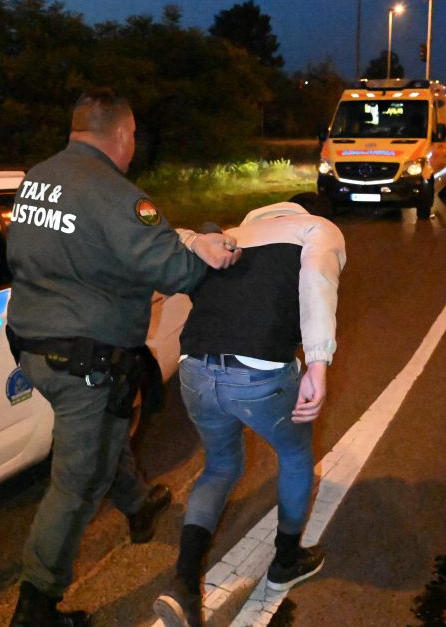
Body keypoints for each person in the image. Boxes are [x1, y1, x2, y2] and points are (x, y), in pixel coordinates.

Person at [5, 88, 241, 627]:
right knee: (77, 482)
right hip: (82, 362)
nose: (133, 144)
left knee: (104, 433)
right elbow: (176, 271)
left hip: (33, 346)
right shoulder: (116, 194)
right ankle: (35, 608)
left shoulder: (37, 177)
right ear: (121, 134)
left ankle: (137, 505)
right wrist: (208, 241)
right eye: (133, 135)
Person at [152, 202, 347, 627]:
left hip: (195, 369)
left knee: (220, 467)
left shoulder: (226, 236)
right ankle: (286, 561)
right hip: (259, 375)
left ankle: (183, 584)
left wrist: (191, 238)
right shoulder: (315, 228)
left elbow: (161, 241)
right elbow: (317, 283)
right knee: (295, 455)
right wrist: (317, 364)